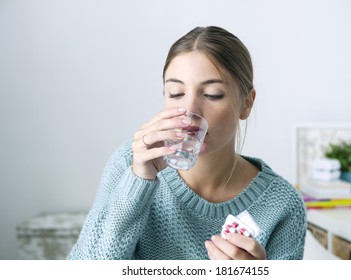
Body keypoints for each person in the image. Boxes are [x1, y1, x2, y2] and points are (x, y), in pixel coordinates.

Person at [68, 26, 306, 260]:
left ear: (247, 103)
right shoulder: (128, 165)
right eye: (175, 93)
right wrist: (137, 183)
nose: (190, 110)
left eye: (212, 94)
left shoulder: (283, 205)